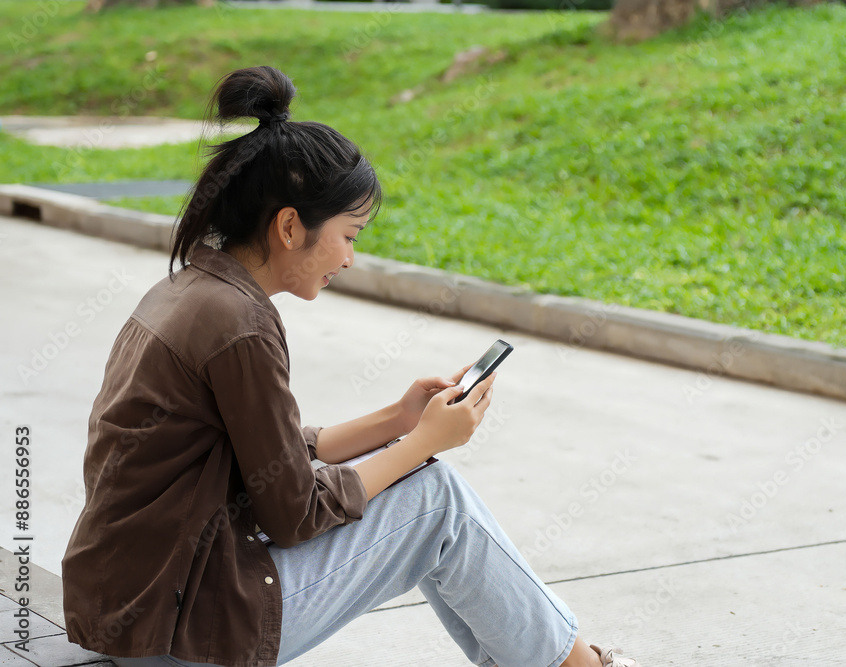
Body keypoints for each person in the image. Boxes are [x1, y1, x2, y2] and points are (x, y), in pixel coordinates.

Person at [61, 66, 641, 667]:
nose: (350, 258)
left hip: (138, 611)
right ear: (290, 227)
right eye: (350, 234)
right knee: (436, 500)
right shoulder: (241, 324)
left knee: (421, 488)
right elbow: (294, 512)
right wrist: (423, 444)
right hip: (184, 632)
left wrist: (400, 419)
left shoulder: (191, 290)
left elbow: (276, 461)